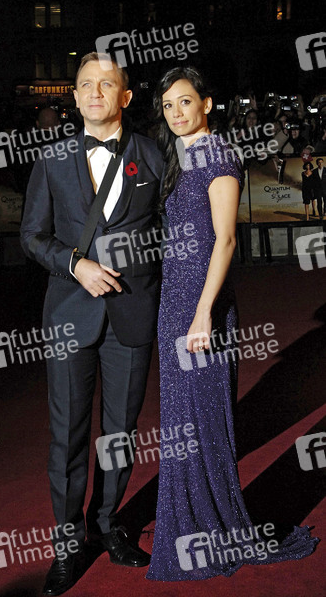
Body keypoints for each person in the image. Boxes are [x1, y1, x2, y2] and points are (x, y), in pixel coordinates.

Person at [146, 66, 319, 582]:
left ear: (207, 104)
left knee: (203, 419)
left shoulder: (219, 155)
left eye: (185, 101)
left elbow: (224, 240)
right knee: (181, 419)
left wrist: (203, 314)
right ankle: (186, 521)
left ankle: (211, 524)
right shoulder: (179, 157)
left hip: (203, 306)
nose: (176, 112)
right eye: (168, 105)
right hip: (173, 301)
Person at [21, 52, 164, 596]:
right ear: (76, 97)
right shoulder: (52, 158)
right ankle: (67, 543)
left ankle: (107, 525)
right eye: (86, 84)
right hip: (68, 316)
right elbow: (32, 236)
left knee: (120, 435)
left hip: (132, 312)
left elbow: (173, 228)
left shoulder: (152, 153)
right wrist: (74, 264)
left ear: (125, 96)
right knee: (68, 437)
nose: (96, 92)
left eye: (107, 84)